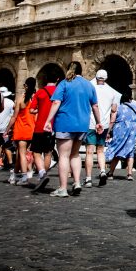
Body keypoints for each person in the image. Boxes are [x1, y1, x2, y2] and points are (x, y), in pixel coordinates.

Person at [44, 61, 101, 198]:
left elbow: (56, 102)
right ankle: (76, 183)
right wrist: (99, 122)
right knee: (75, 155)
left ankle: (63, 188)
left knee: (63, 156)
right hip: (82, 125)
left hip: (65, 123)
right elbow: (95, 106)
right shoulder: (89, 85)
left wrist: (48, 120)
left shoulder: (64, 83)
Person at [84, 69, 121, 188]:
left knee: (89, 151)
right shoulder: (112, 92)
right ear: (106, 78)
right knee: (100, 150)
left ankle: (88, 179)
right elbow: (114, 110)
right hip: (104, 124)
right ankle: (103, 171)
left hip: (91, 122)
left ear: (96, 77)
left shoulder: (90, 88)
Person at [27, 75, 58, 191]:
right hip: (53, 127)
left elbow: (31, 110)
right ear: (57, 79)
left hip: (40, 126)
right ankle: (43, 176)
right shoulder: (59, 91)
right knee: (48, 153)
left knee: (36, 152)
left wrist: (41, 109)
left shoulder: (40, 92)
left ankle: (42, 174)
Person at [6, 77, 37, 185]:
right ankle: (14, 175)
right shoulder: (35, 99)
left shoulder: (20, 99)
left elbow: (14, 117)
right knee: (21, 153)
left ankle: (24, 176)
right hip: (32, 129)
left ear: (26, 86)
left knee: (22, 154)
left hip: (21, 129)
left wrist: (7, 129)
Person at [105, 95, 136, 180]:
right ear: (130, 99)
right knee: (130, 151)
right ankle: (129, 174)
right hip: (132, 130)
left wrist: (108, 131)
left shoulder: (118, 108)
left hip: (120, 130)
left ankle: (110, 173)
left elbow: (112, 120)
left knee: (117, 149)